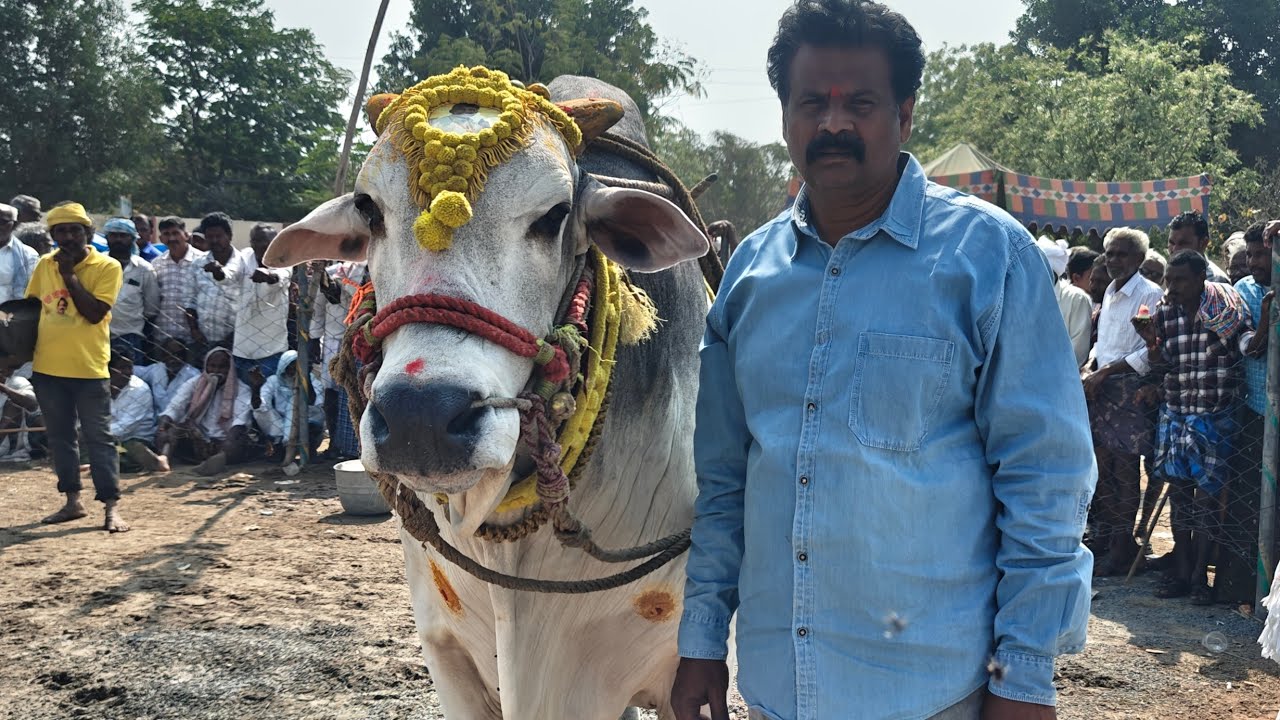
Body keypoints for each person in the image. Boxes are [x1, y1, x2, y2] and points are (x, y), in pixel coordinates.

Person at [671, 3, 1095, 719]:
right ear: (785, 116)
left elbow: (1044, 479)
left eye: (860, 103)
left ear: (904, 113)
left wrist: (1023, 677)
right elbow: (723, 482)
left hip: (934, 694)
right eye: (812, 102)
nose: (833, 123)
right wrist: (703, 639)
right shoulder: (749, 276)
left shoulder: (987, 258)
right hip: (777, 690)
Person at [1133, 250, 1248, 604]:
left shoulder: (1222, 309)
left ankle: (1200, 578)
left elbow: (1245, 349)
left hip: (1213, 416)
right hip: (1177, 413)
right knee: (1180, 498)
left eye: (1181, 279)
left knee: (1208, 503)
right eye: (1169, 279)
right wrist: (1151, 342)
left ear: (1201, 278)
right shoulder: (1164, 313)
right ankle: (1182, 574)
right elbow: (1161, 364)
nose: (1173, 286)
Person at [26, 202, 128, 532]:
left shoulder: (107, 266)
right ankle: (72, 502)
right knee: (60, 438)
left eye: (75, 230)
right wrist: (10, 357)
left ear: (88, 233)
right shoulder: (44, 264)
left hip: (89, 369)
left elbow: (95, 313)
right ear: (53, 235)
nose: (68, 237)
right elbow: (30, 313)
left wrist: (69, 275)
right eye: (61, 231)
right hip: (47, 368)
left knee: (99, 438)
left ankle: (111, 507)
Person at [1080, 228, 1164, 575]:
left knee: (1125, 471)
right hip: (1101, 387)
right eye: (1111, 253)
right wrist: (1091, 366)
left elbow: (1150, 349)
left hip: (1128, 388)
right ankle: (1119, 541)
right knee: (1102, 468)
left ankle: (1120, 548)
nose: (1114, 260)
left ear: (1139, 259)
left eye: (1122, 254)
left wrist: (1106, 371)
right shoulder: (1111, 291)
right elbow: (1104, 342)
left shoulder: (1150, 293)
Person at [156, 347, 254, 475]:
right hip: (197, 437)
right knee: (169, 430)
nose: (216, 371)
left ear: (230, 368)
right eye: (212, 366)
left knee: (235, 442)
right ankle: (163, 459)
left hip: (225, 439)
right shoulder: (194, 383)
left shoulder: (242, 389)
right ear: (206, 366)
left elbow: (240, 421)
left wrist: (230, 439)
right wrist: (162, 427)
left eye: (222, 367)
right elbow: (175, 407)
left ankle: (214, 463)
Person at [231, 224, 291, 383]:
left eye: (268, 242)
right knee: (243, 392)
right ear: (252, 242)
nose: (263, 246)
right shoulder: (245, 256)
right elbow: (231, 273)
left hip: (271, 347)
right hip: (243, 346)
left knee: (268, 391)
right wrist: (220, 273)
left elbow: (281, 277)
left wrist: (268, 276)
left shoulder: (283, 259)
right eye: (257, 241)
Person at [102, 218, 159, 364]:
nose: (118, 240)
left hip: (130, 337)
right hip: (99, 334)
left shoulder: (144, 269)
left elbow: (151, 309)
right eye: (114, 235)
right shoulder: (97, 264)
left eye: (123, 235)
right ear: (107, 238)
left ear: (133, 238)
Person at [248, 349, 324, 460]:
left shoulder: (311, 379)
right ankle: (280, 448)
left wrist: (305, 379)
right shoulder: (274, 381)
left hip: (305, 424)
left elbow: (314, 403)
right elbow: (261, 405)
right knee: (261, 412)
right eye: (290, 366)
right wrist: (256, 387)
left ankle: (309, 451)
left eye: (297, 367)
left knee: (316, 410)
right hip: (280, 427)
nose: (293, 370)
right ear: (284, 367)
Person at [186, 212, 241, 357]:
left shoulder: (243, 263)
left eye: (219, 236)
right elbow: (190, 301)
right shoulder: (197, 263)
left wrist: (230, 339)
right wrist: (194, 330)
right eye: (210, 236)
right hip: (202, 340)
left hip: (235, 341)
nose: (214, 240)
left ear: (229, 236)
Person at [107, 351, 168, 473]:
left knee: (131, 449)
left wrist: (95, 434)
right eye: (122, 368)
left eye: (129, 367)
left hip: (133, 438)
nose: (128, 372)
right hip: (104, 438)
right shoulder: (98, 387)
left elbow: (127, 426)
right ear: (109, 369)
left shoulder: (140, 389)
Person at [152, 216, 206, 345]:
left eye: (176, 233)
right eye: (166, 234)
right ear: (161, 239)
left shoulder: (203, 261)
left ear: (186, 235)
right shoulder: (156, 264)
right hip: (163, 336)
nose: (172, 238)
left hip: (195, 338)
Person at [1039, 237, 1093, 367]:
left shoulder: (1076, 298)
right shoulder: (1025, 295)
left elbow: (1078, 351)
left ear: (1052, 272)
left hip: (1058, 374)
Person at [137, 337, 201, 414]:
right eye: (169, 354)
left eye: (178, 354)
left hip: (180, 418)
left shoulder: (193, 375)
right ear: (162, 356)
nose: (173, 358)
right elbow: (135, 371)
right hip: (156, 418)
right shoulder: (157, 369)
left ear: (184, 356)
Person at [1167, 211, 1229, 283]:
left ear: (1203, 243)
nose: (1175, 249)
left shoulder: (1216, 281)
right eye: (1172, 243)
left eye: (1183, 243)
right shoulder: (1164, 275)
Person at [0, 361, 41, 460]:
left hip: (5, 442)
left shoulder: (17, 381)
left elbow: (32, 404)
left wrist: (3, 388)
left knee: (13, 406)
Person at [0, 203, 40, 306]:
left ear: (15, 225)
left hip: (13, 313)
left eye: (1, 222)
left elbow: (33, 292)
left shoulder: (28, 255)